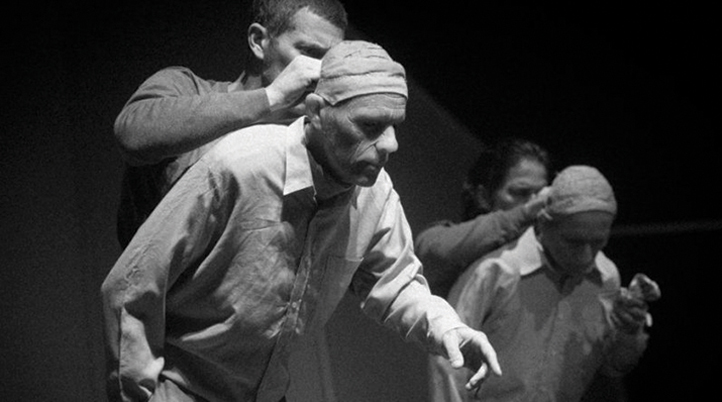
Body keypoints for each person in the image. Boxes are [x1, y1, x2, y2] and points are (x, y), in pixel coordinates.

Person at [101, 40, 502, 402]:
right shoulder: (242, 164)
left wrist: (448, 328)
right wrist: (136, 395)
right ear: (316, 112)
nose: (390, 144)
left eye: (394, 125)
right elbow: (133, 284)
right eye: (370, 126)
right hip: (182, 390)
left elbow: (396, 286)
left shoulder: (375, 193)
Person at [114, 0, 348, 247]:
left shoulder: (312, 137)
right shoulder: (185, 88)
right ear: (258, 41)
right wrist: (271, 97)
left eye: (329, 62)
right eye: (309, 53)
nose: (319, 71)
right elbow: (132, 134)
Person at [429, 165, 657, 402]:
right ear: (544, 224)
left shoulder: (606, 277)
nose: (587, 256)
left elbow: (612, 366)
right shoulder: (498, 271)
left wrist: (628, 332)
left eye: (598, 242)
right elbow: (449, 363)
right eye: (574, 242)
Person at [415, 138, 553, 297]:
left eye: (540, 193)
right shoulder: (437, 238)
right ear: (484, 196)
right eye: (521, 192)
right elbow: (434, 251)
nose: (536, 202)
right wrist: (524, 213)